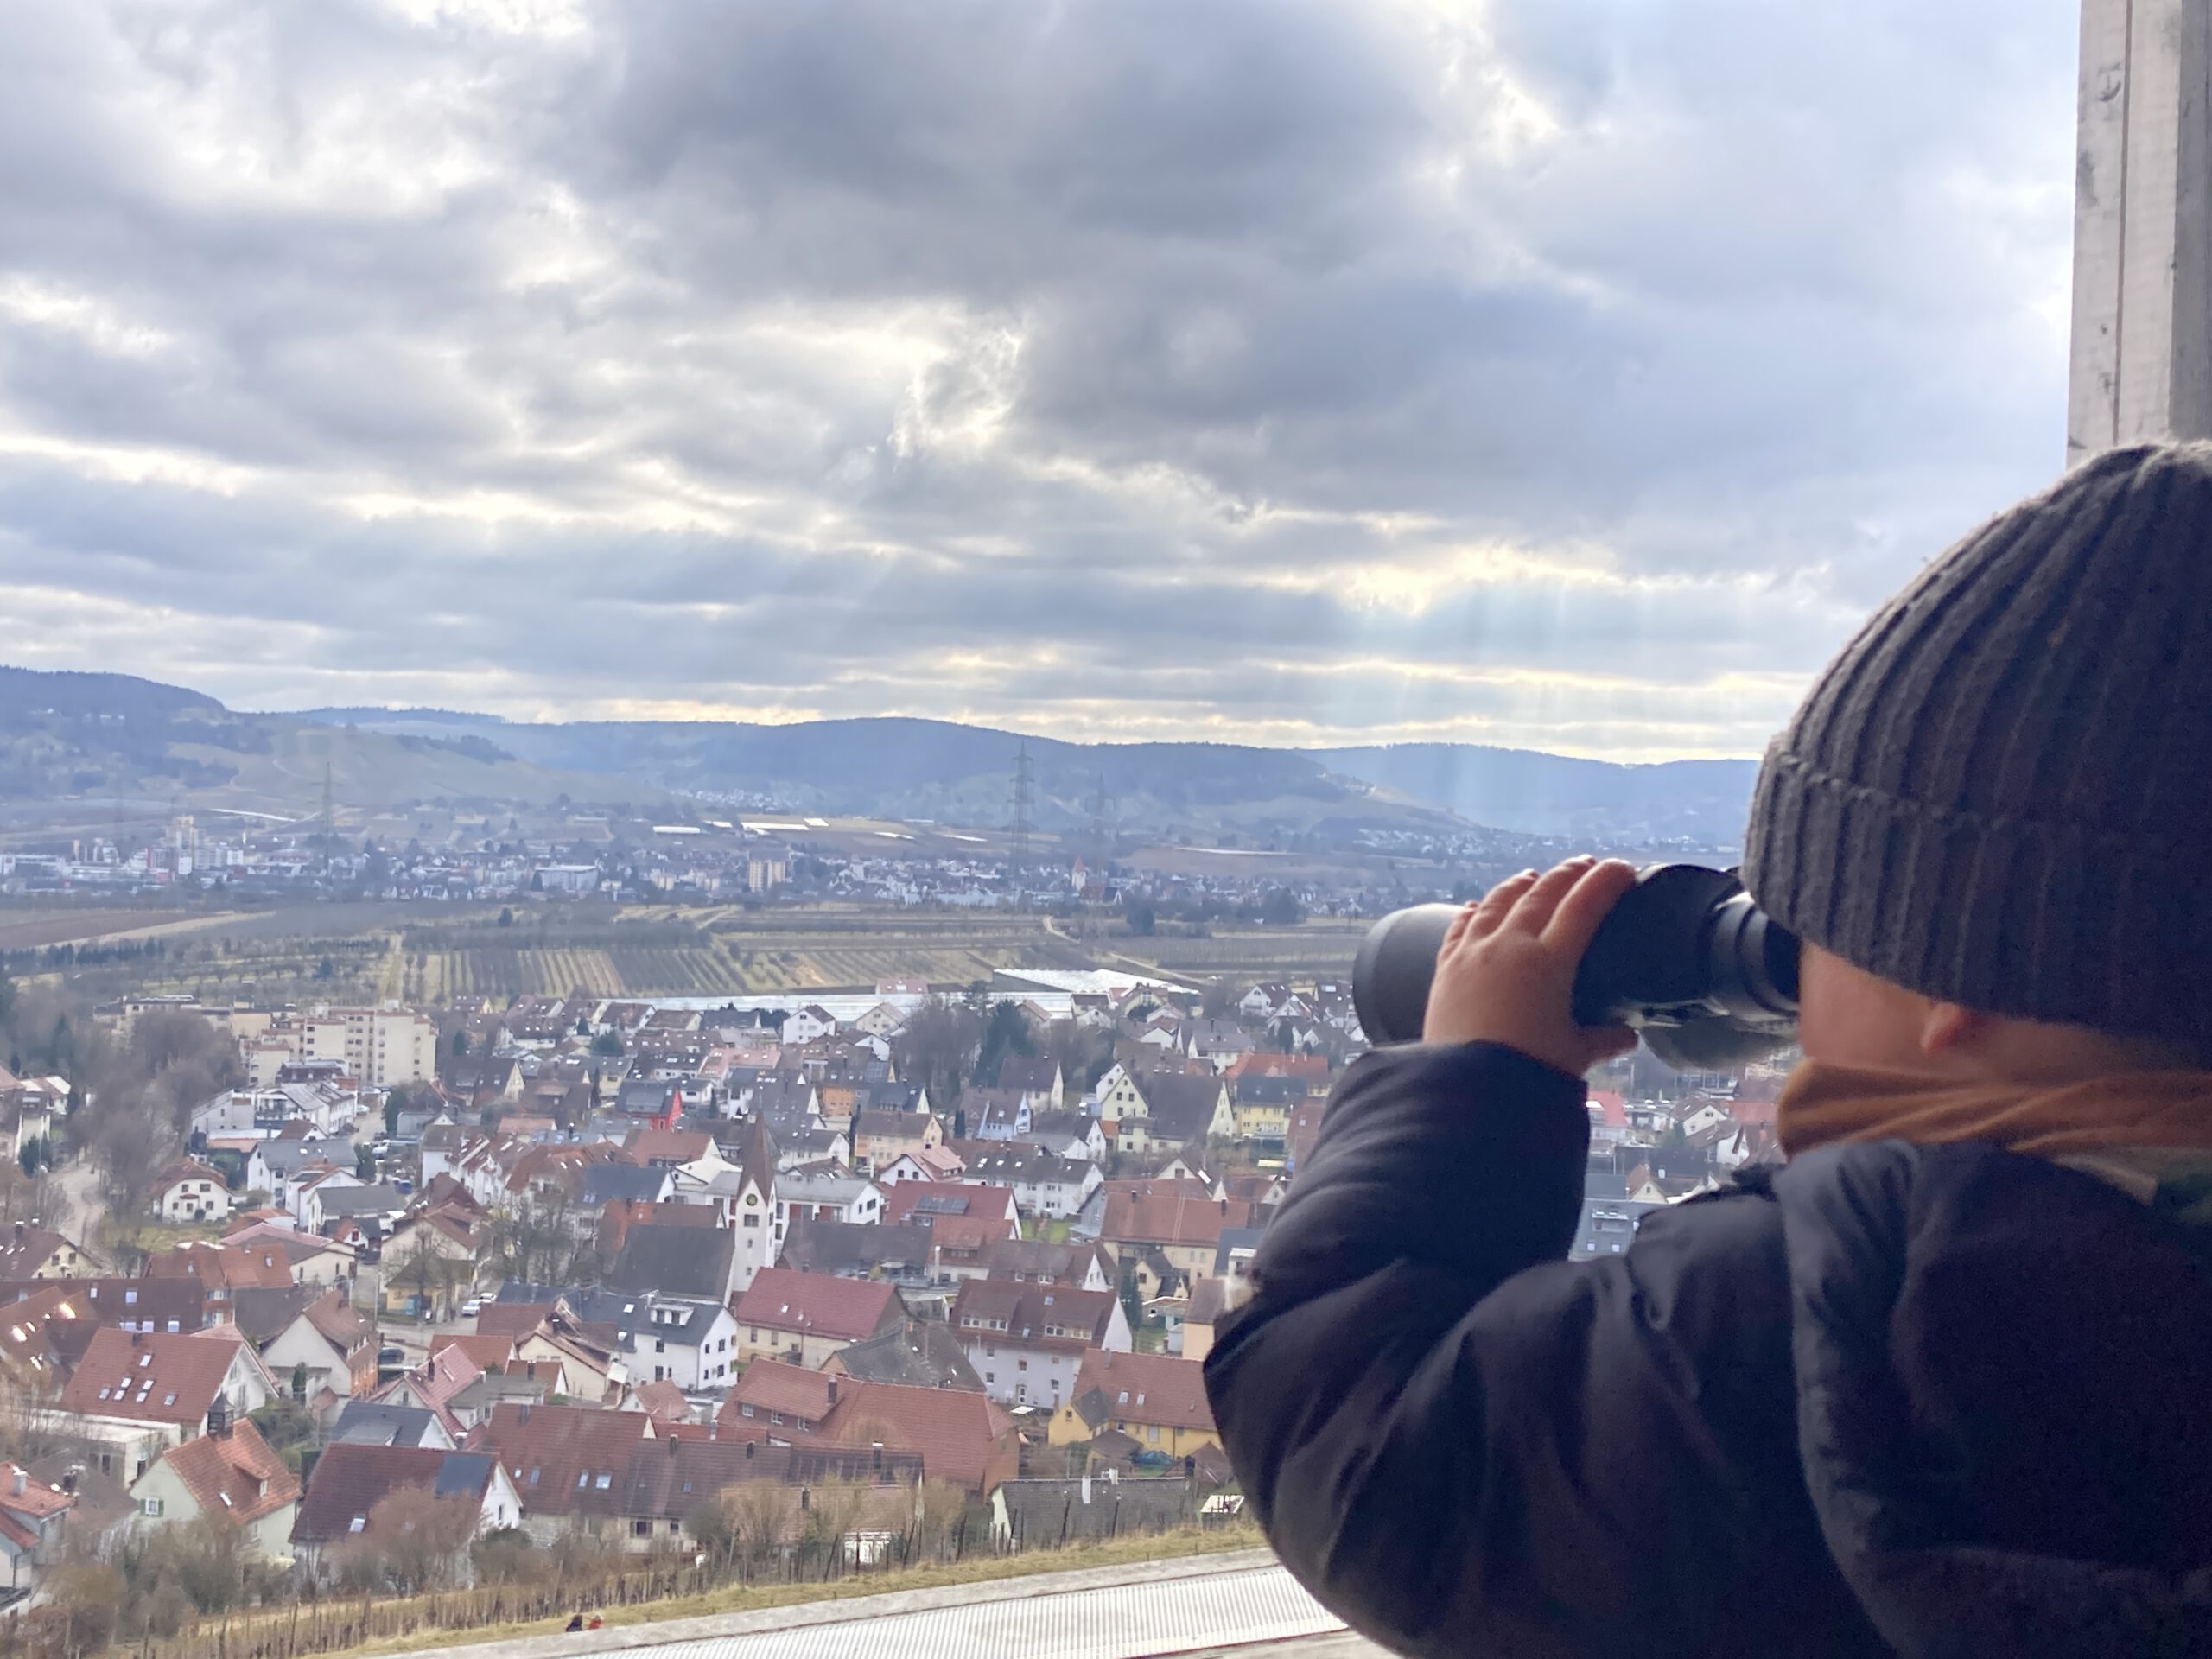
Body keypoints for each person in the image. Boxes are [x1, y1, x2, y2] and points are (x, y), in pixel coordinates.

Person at [1205, 442, 2212, 1658]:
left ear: (1955, 983)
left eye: (1814, 933)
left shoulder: (1829, 1317)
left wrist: (1478, 1082)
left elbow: (1357, 1440)